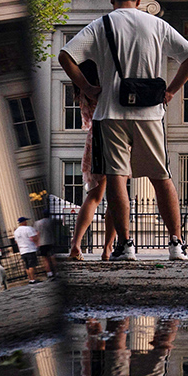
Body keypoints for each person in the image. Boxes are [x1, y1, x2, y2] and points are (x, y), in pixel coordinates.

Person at [58, 0, 188, 262]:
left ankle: (126, 245)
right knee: (162, 177)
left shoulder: (101, 25)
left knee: (117, 178)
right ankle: (176, 243)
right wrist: (170, 91)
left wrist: (87, 87)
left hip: (110, 111)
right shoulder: (157, 24)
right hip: (150, 112)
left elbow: (66, 56)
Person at [65, 59, 118, 261]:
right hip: (113, 135)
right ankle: (107, 248)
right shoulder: (104, 84)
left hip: (94, 138)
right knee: (115, 195)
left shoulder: (83, 88)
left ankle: (75, 245)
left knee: (93, 197)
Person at [13, 216, 40, 283]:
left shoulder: (16, 231)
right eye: (25, 221)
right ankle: (33, 279)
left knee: (27, 266)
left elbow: (16, 241)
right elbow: (33, 237)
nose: (26, 222)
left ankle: (30, 279)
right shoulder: (28, 229)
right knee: (32, 265)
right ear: (24, 222)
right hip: (30, 249)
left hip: (22, 250)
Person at [35, 209, 57, 279]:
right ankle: (56, 271)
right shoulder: (52, 221)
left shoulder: (37, 223)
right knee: (53, 257)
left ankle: (49, 273)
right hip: (51, 241)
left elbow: (37, 233)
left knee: (45, 259)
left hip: (42, 243)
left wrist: (37, 243)